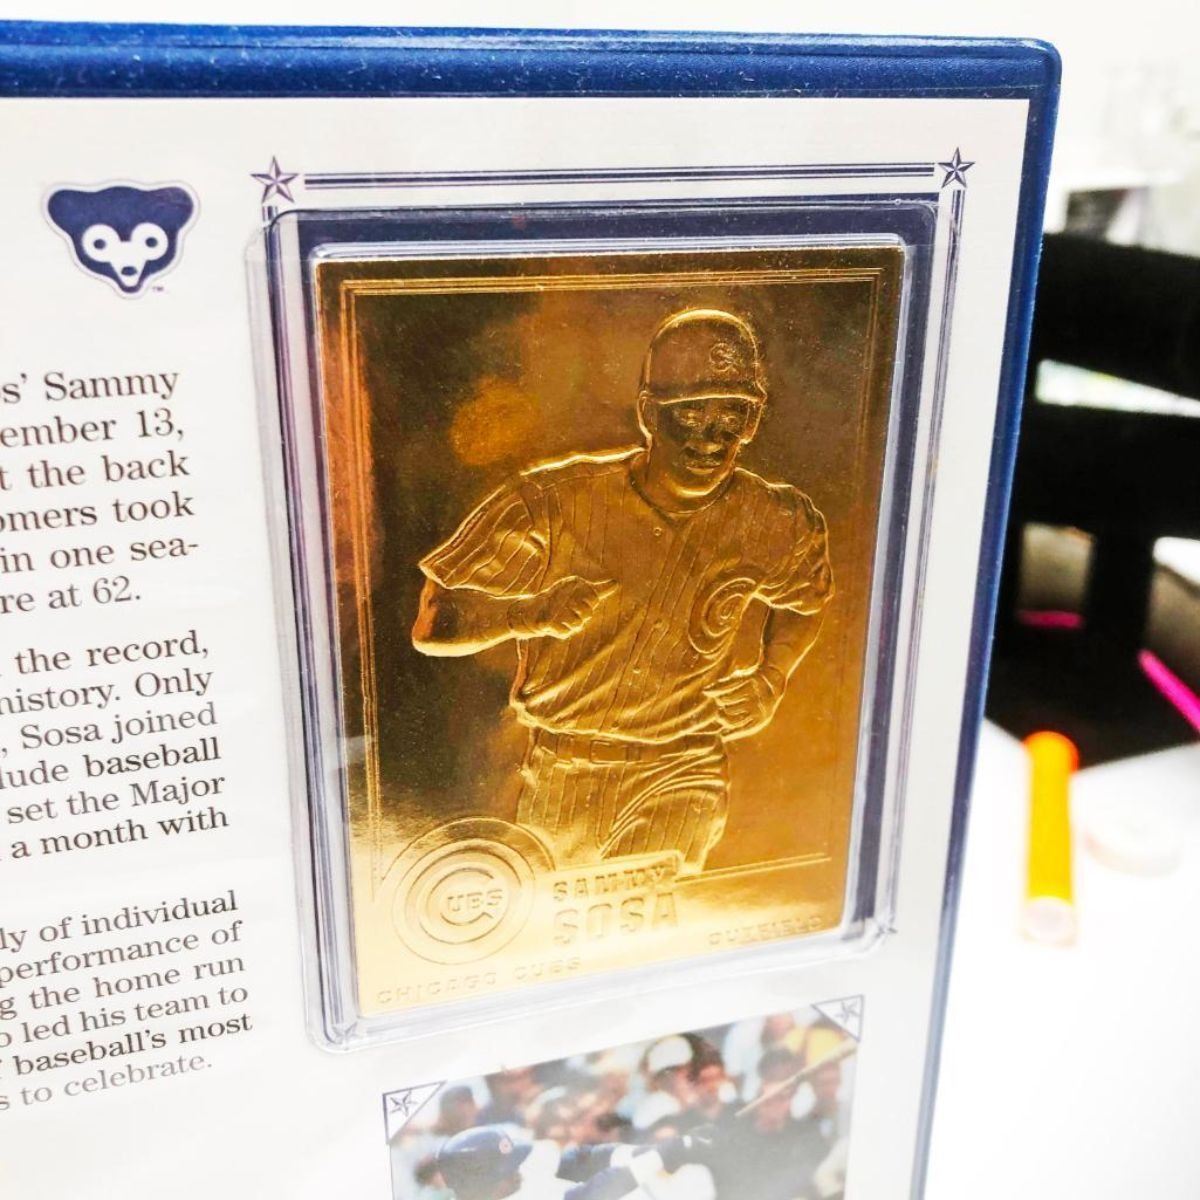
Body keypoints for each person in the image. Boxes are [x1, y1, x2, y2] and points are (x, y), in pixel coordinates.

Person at [412, 308, 834, 874]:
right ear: (649, 414)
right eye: (691, 412)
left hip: (684, 767)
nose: (712, 436)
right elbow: (435, 622)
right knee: (559, 917)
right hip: (562, 772)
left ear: (753, 419)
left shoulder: (776, 519)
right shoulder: (550, 503)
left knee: (642, 898)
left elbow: (805, 599)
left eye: (732, 413)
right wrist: (526, 614)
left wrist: (772, 675)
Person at [434, 1123, 714, 1200]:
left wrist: (643, 1151)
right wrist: (661, 1155)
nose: (516, 1172)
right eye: (505, 1172)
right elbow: (593, 1194)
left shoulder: (509, 1184)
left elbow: (580, 1160)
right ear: (479, 1187)